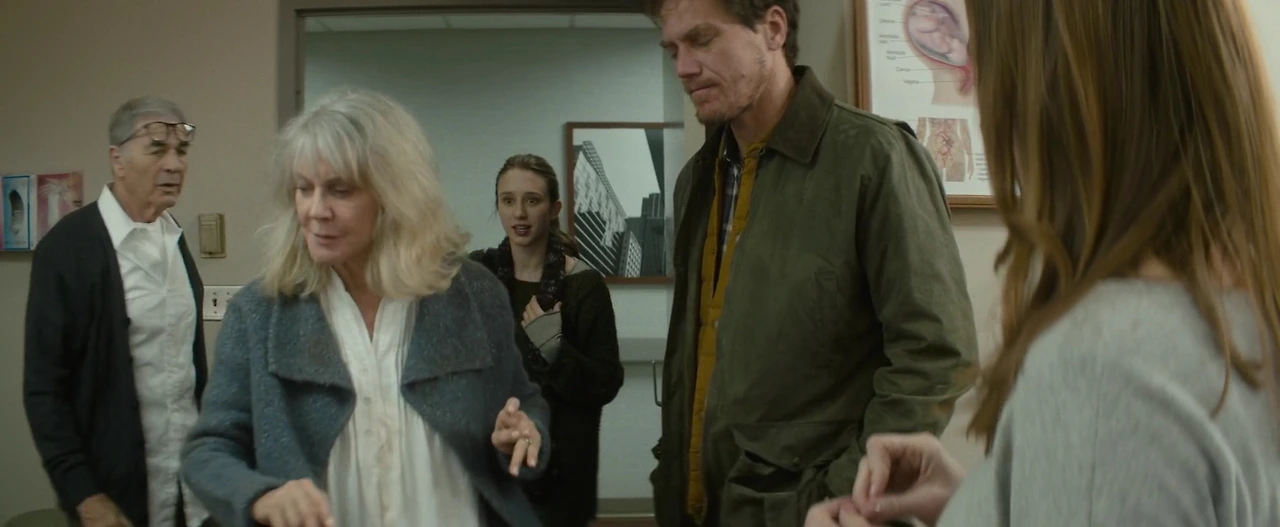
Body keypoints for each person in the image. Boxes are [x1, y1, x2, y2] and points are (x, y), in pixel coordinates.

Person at [805, 0, 1280, 526]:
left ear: (1053, 90)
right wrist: (986, 499)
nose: (975, 92)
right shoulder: (1245, 307)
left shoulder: (1105, 367)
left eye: (987, 61)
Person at [648, 0, 979, 525]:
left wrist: (843, 494)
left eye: (703, 39)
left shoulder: (874, 156)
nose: (684, 67)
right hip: (701, 506)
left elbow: (935, 354)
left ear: (773, 29)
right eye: (673, 50)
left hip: (816, 512)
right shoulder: (696, 179)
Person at [179, 89, 551, 527]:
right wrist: (260, 497)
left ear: (396, 196)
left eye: (340, 190)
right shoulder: (259, 313)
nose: (316, 210)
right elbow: (208, 451)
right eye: (304, 189)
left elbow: (523, 400)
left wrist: (524, 431)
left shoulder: (474, 293)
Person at [23, 97, 210, 527]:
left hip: (190, 490)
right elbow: (44, 388)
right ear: (117, 160)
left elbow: (187, 372)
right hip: (113, 497)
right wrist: (83, 495)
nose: (174, 164)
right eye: (157, 148)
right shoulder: (68, 249)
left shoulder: (173, 241)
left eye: (181, 151)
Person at [471, 153, 625, 526]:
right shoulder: (478, 275)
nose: (519, 213)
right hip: (490, 465)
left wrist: (556, 350)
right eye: (508, 200)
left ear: (554, 209)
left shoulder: (583, 286)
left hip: (561, 474)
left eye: (532, 200)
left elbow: (605, 383)